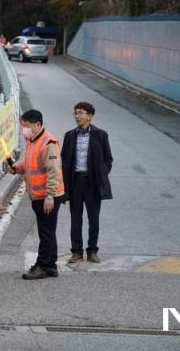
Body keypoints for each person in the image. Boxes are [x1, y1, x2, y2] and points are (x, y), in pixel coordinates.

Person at [8, 109, 65, 280]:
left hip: (47, 196)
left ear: (38, 124)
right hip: (38, 195)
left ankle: (42, 265)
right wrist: (16, 168)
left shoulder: (48, 143)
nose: (24, 129)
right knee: (48, 231)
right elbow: (28, 164)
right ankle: (51, 265)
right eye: (23, 126)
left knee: (45, 232)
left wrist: (50, 196)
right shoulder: (32, 141)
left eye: (27, 126)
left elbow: (53, 172)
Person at [61, 101, 113, 264]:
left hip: (92, 183)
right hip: (75, 182)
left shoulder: (101, 135)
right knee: (75, 219)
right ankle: (76, 251)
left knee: (93, 219)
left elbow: (108, 160)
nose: (77, 116)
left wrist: (101, 174)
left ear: (89, 116)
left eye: (81, 113)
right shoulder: (70, 136)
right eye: (76, 113)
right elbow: (64, 160)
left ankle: (92, 250)